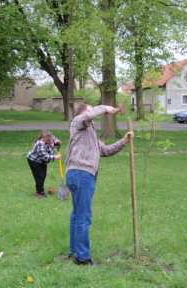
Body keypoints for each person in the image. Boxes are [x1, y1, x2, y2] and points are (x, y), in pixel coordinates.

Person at [65, 104, 134, 265]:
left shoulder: (91, 134)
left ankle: (74, 249)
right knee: (83, 216)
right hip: (81, 175)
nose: (93, 115)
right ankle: (82, 257)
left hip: (79, 175)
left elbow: (106, 151)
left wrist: (123, 141)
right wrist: (105, 108)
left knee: (77, 214)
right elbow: (88, 116)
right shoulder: (78, 123)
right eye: (90, 111)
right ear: (84, 113)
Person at [27, 130, 61, 199]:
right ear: (43, 138)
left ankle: (39, 190)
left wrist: (57, 142)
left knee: (43, 175)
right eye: (47, 141)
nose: (49, 142)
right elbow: (45, 157)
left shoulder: (51, 138)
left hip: (42, 161)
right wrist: (55, 157)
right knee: (39, 176)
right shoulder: (40, 144)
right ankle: (40, 192)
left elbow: (56, 141)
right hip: (34, 160)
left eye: (50, 141)